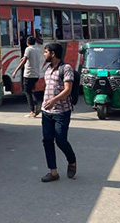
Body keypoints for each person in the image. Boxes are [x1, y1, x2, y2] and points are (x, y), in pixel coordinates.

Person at [40, 42, 77, 182]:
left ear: (53, 54)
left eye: (45, 52)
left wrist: (54, 100)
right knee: (47, 141)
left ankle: (72, 160)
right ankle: (53, 172)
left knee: (60, 140)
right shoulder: (48, 69)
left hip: (61, 111)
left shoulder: (66, 68)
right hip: (46, 112)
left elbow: (67, 89)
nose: (44, 54)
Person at [11, 36, 44, 117]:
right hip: (36, 74)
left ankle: (33, 109)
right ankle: (35, 106)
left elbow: (24, 61)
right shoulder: (37, 49)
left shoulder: (28, 49)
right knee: (30, 90)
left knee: (27, 92)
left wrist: (15, 71)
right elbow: (28, 58)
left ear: (27, 42)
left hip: (29, 74)